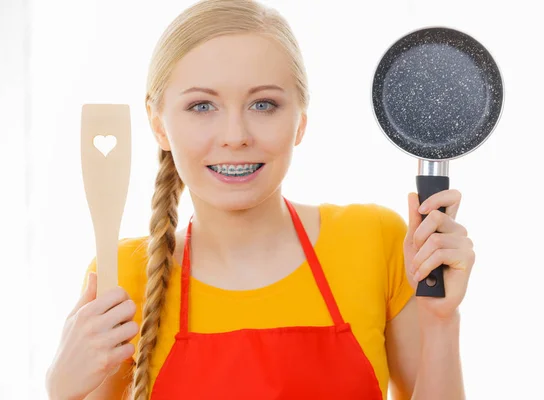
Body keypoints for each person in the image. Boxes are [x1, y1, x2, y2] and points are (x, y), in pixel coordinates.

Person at [45, 0, 476, 399]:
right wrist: (62, 389)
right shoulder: (122, 279)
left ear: (300, 121)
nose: (236, 137)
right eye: (201, 106)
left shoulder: (375, 242)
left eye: (264, 104)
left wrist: (441, 322)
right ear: (158, 124)